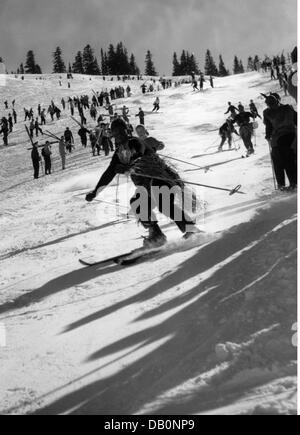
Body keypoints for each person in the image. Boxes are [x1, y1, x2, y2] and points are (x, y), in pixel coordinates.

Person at [85, 118, 199, 247]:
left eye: (120, 132)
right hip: (147, 187)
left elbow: (140, 153)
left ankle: (191, 230)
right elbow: (108, 174)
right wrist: (95, 192)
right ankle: (156, 235)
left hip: (161, 178)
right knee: (137, 203)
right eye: (115, 133)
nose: (118, 135)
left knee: (163, 203)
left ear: (126, 130)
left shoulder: (135, 142)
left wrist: (129, 166)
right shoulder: (119, 154)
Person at [263, 94, 297, 190]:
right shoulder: (288, 108)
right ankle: (293, 182)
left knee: (279, 161)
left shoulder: (268, 113)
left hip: (278, 140)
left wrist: (267, 136)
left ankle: (282, 184)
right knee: (291, 160)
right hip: (292, 136)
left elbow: (268, 127)